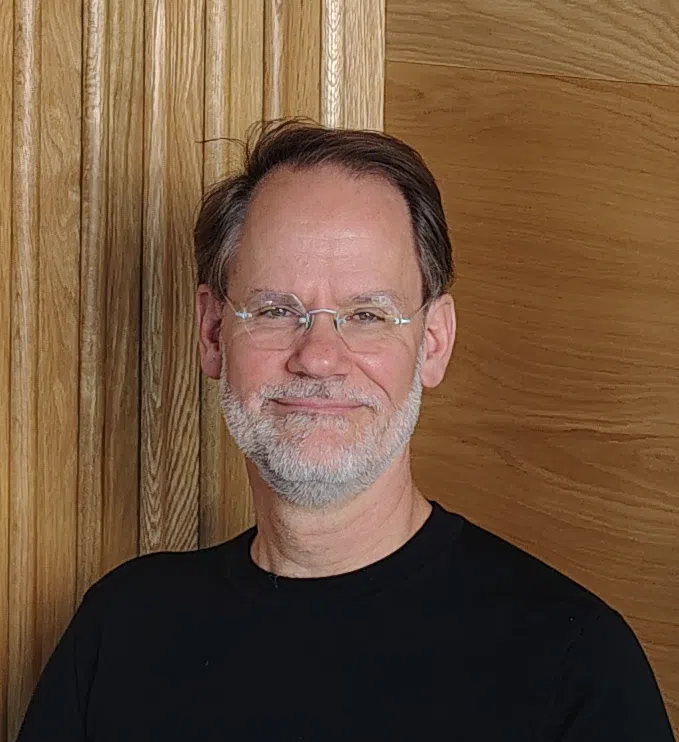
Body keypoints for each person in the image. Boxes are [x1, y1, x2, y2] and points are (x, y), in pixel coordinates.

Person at [18, 120, 674, 741]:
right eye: (276, 311)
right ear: (213, 332)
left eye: (366, 315)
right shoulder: (122, 631)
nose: (319, 358)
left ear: (433, 342)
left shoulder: (573, 663)